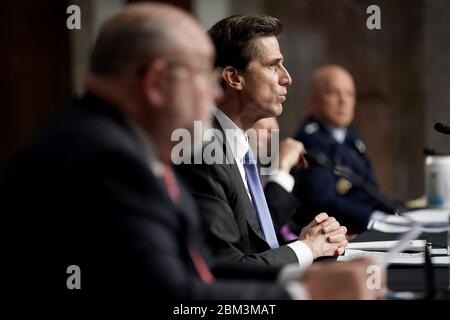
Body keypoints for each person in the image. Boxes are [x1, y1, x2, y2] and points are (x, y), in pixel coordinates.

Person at [0, 4, 383, 301]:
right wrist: (303, 293)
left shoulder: (115, 140)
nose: (215, 93)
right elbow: (179, 300)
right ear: (156, 82)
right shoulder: (109, 161)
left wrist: (301, 276)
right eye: (203, 75)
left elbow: (204, 270)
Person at [177, 15, 348, 269]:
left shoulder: (237, 143)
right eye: (272, 66)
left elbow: (256, 246)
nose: (286, 78)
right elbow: (226, 267)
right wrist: (306, 249)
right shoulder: (202, 153)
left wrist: (311, 242)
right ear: (234, 78)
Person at [290, 65, 397, 234]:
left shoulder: (350, 136)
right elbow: (323, 202)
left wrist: (393, 212)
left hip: (366, 228)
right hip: (339, 235)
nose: (343, 101)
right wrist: (372, 217)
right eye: (333, 93)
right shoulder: (310, 142)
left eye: (349, 94)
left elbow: (370, 189)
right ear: (313, 101)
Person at [251, 117, 305, 241]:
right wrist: (283, 169)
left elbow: (285, 233)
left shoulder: (256, 166)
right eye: (265, 115)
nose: (274, 128)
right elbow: (258, 239)